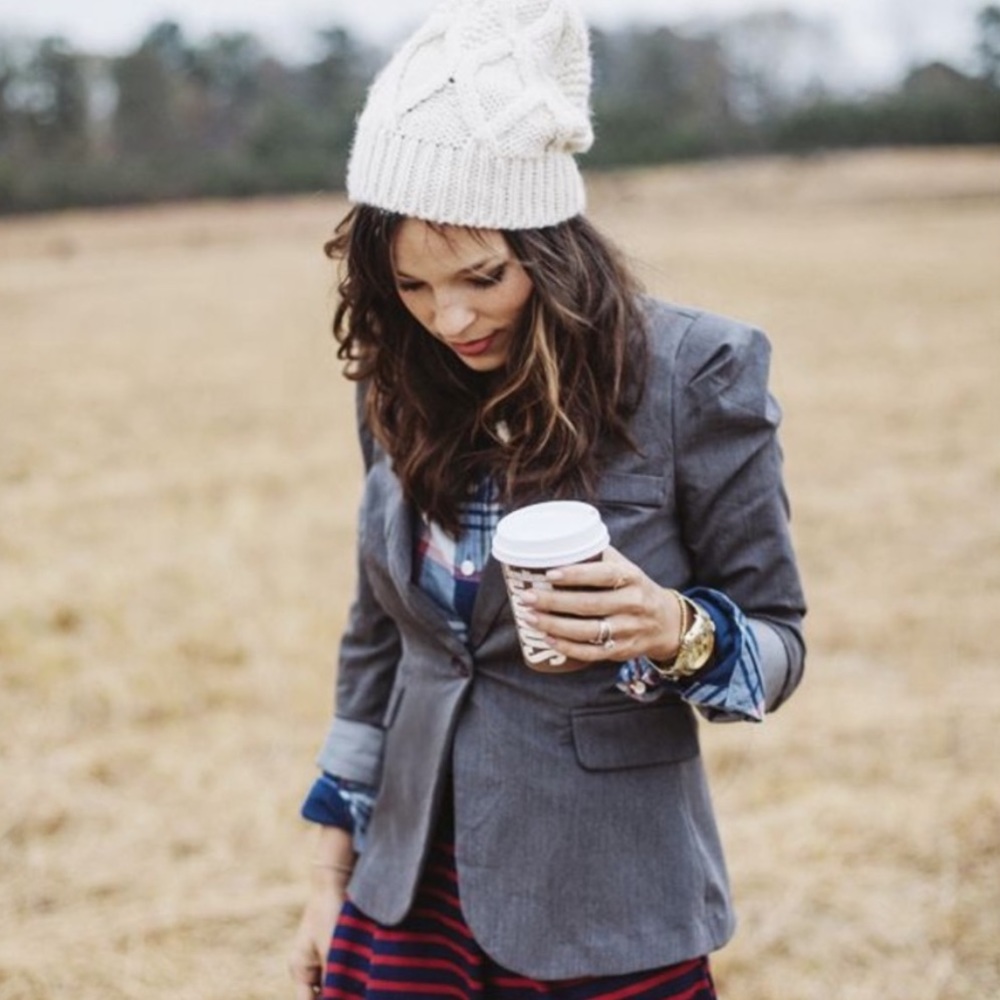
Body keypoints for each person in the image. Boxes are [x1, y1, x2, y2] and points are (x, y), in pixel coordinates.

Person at [287, 0, 806, 997]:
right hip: (406, 888)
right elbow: (379, 641)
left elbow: (778, 646)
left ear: (551, 248)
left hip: (603, 900)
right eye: (411, 287)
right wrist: (329, 877)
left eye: (482, 277)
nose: (449, 318)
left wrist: (675, 630)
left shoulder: (696, 372)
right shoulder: (397, 381)